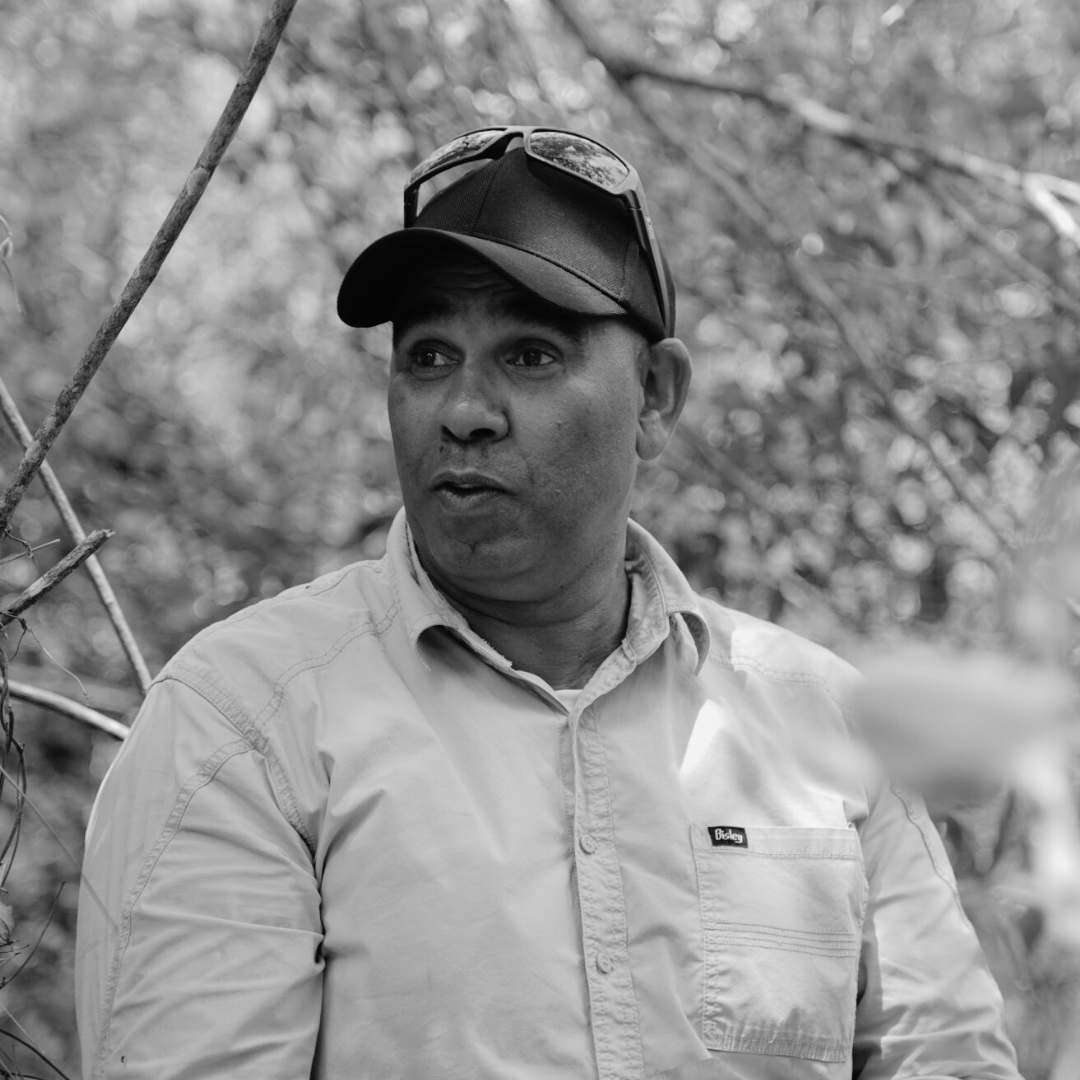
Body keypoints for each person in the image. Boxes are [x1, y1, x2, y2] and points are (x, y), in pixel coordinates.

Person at [75, 127, 1021, 1080]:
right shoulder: (245, 721)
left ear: (656, 396)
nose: (464, 410)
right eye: (430, 356)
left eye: (529, 355)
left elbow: (948, 1059)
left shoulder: (823, 726)